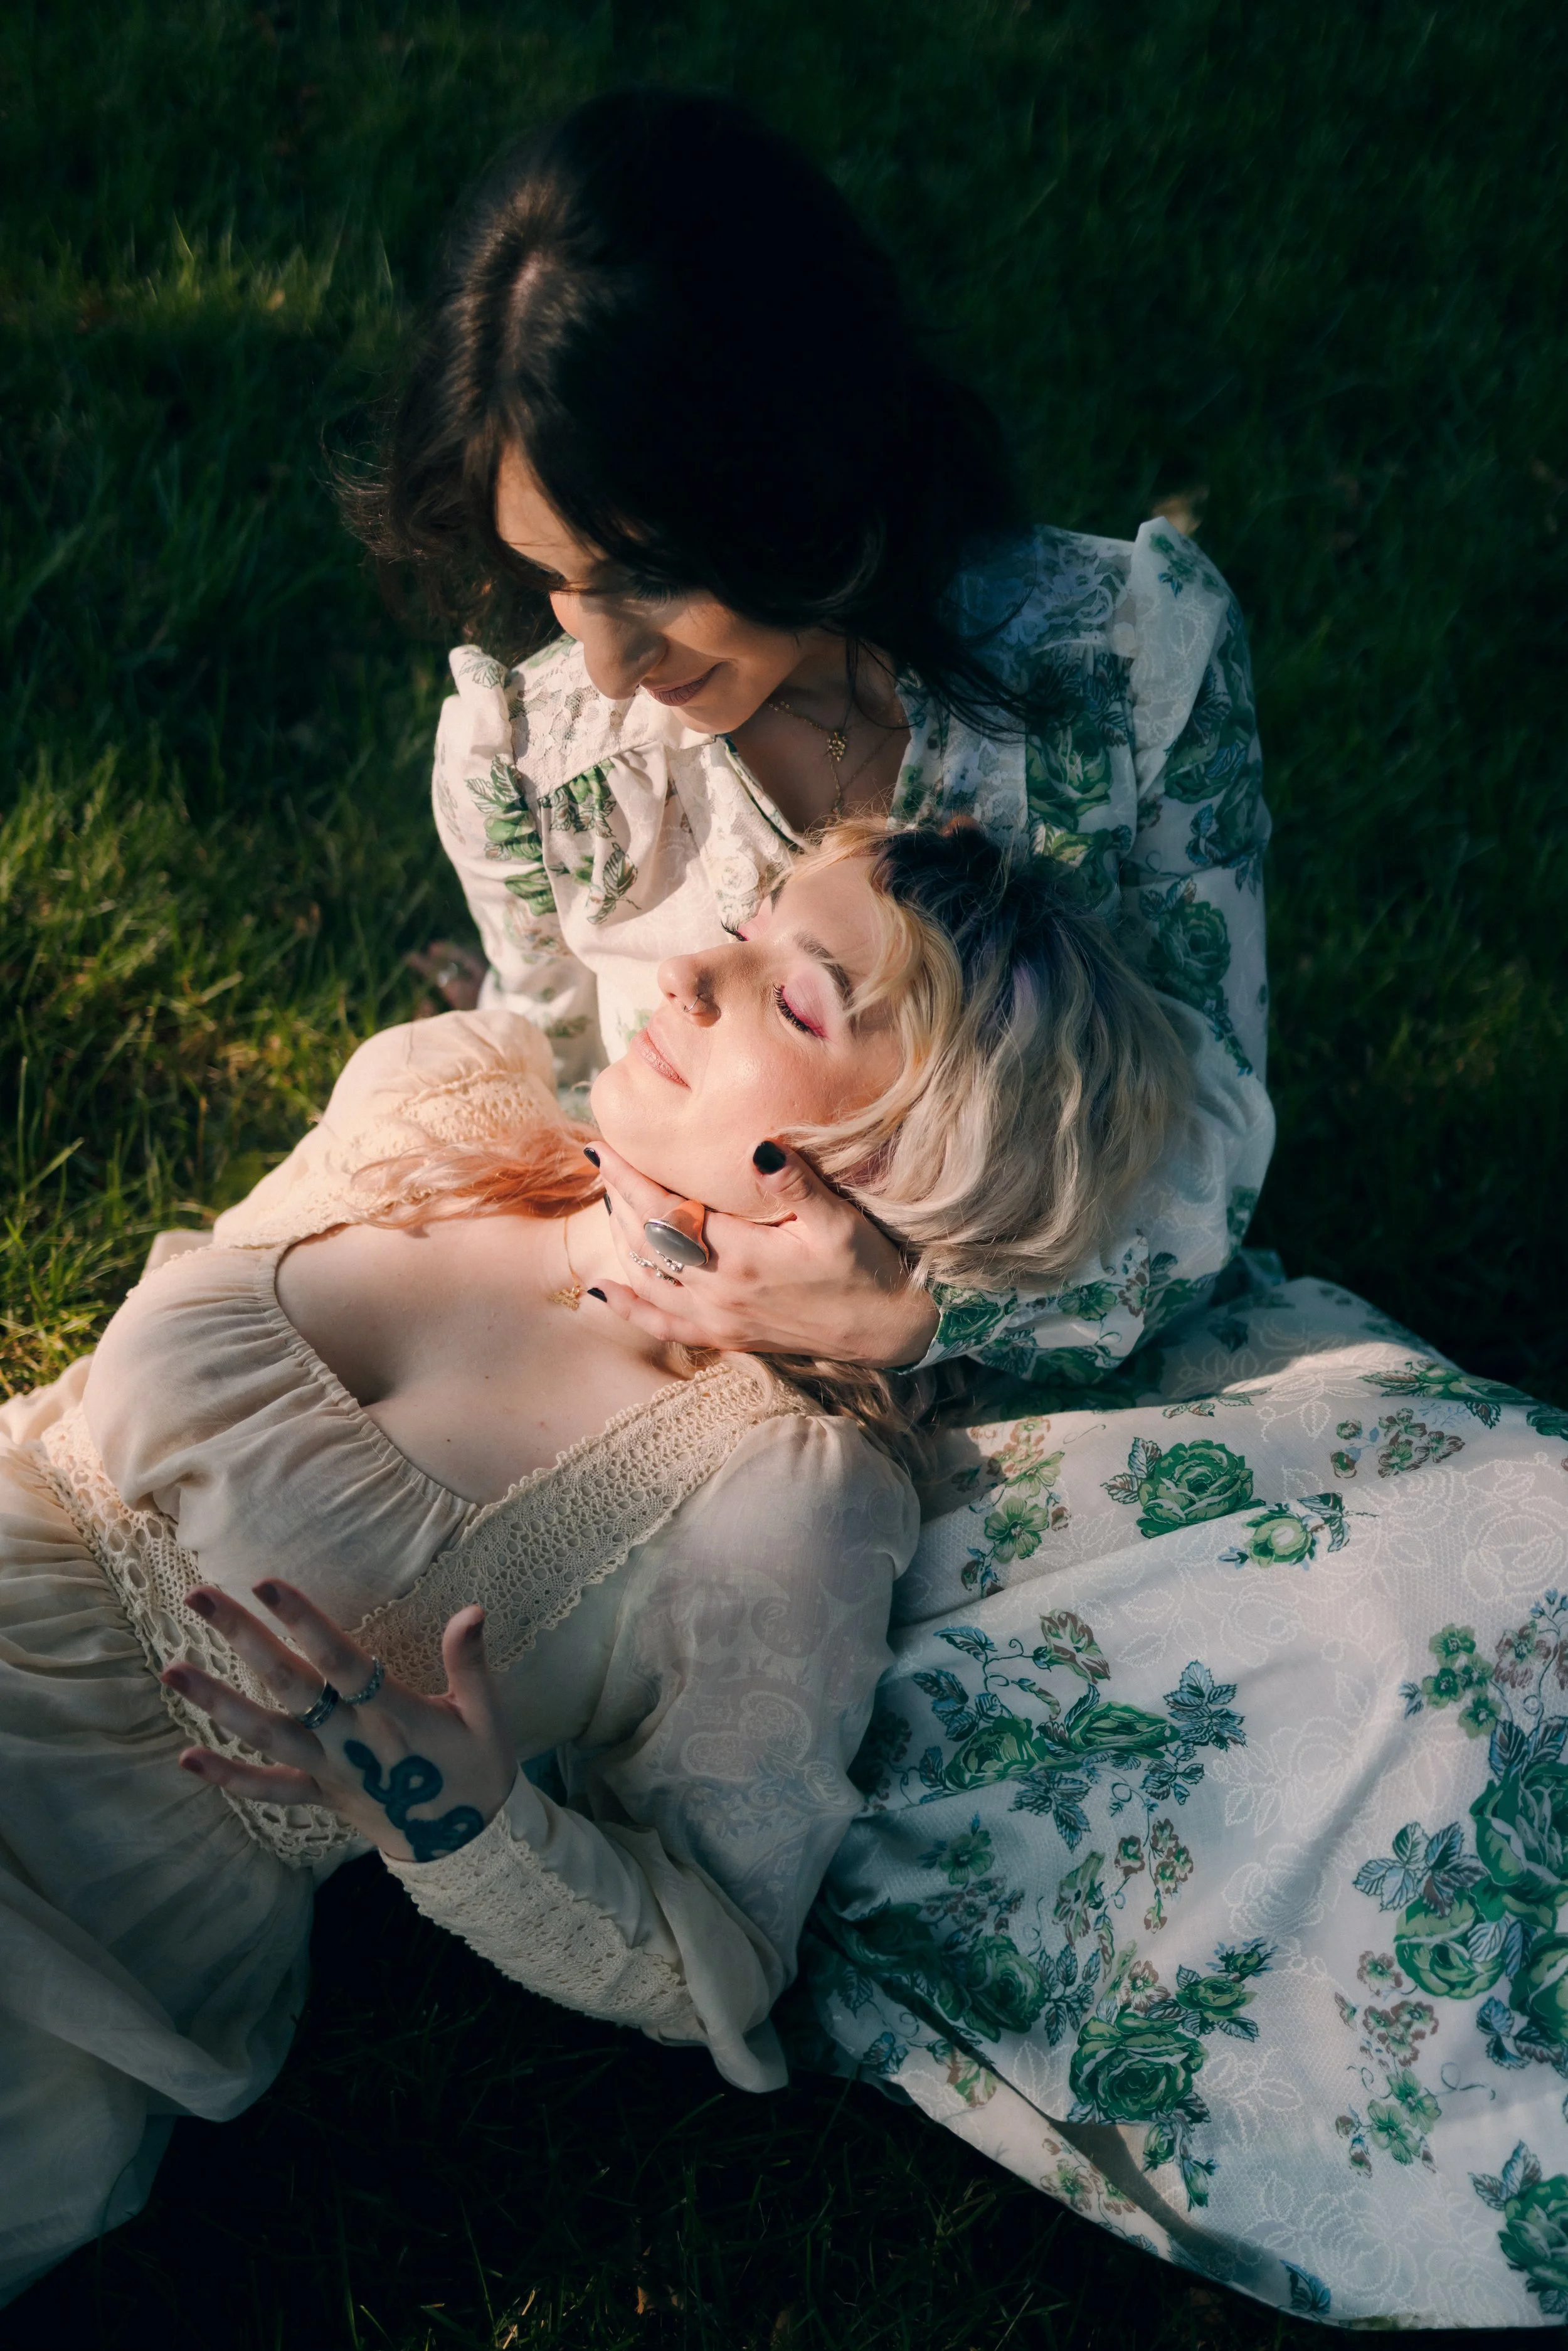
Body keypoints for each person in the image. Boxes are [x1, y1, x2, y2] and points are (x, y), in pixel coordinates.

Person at [0, 820, 1184, 2305]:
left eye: (791, 995)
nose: (689, 966)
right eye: (745, 924)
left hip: (80, 1875)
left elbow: (718, 1962)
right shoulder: (445, 1098)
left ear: (891, 1163)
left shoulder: (774, 1497)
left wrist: (465, 1823)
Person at [356, 87, 1273, 1386]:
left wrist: (918, 1324)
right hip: (694, 1390)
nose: (608, 664)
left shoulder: (1128, 669)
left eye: (649, 577)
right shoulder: (531, 764)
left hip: (1092, 1367)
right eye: (553, 579)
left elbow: (1214, 1129)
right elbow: (554, 1090)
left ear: (801, 470)